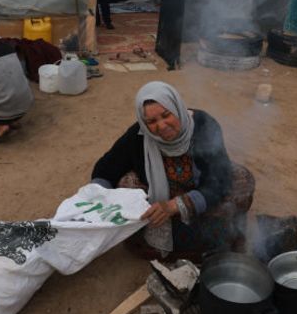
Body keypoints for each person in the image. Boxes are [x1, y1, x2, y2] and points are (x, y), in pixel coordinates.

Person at [90, 81, 254, 260]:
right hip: (159, 202)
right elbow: (106, 168)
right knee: (126, 182)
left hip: (196, 198)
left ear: (177, 108)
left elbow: (218, 179)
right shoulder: (138, 135)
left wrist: (176, 205)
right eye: (151, 121)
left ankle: (208, 237)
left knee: (240, 181)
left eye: (166, 115)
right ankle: (194, 242)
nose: (161, 126)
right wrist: (94, 196)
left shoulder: (204, 126)